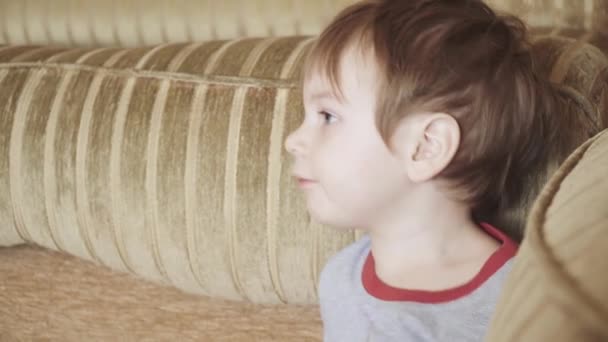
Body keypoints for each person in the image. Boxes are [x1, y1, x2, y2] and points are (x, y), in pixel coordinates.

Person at [284, 0, 567, 340]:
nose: (292, 140)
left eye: (327, 116)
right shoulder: (339, 278)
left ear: (426, 147)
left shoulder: (518, 303)